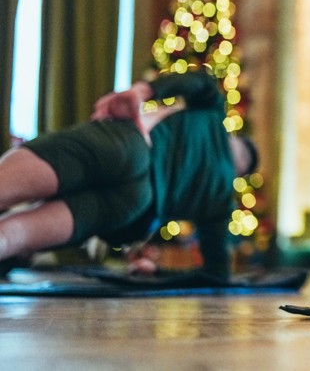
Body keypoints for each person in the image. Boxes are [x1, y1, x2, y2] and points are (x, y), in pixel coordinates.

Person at [0, 69, 259, 280]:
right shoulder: (222, 202)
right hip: (134, 204)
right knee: (11, 237)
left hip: (131, 147)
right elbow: (216, 274)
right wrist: (158, 271)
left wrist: (143, 91)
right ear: (241, 172)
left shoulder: (214, 115)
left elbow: (201, 80)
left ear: (234, 137)